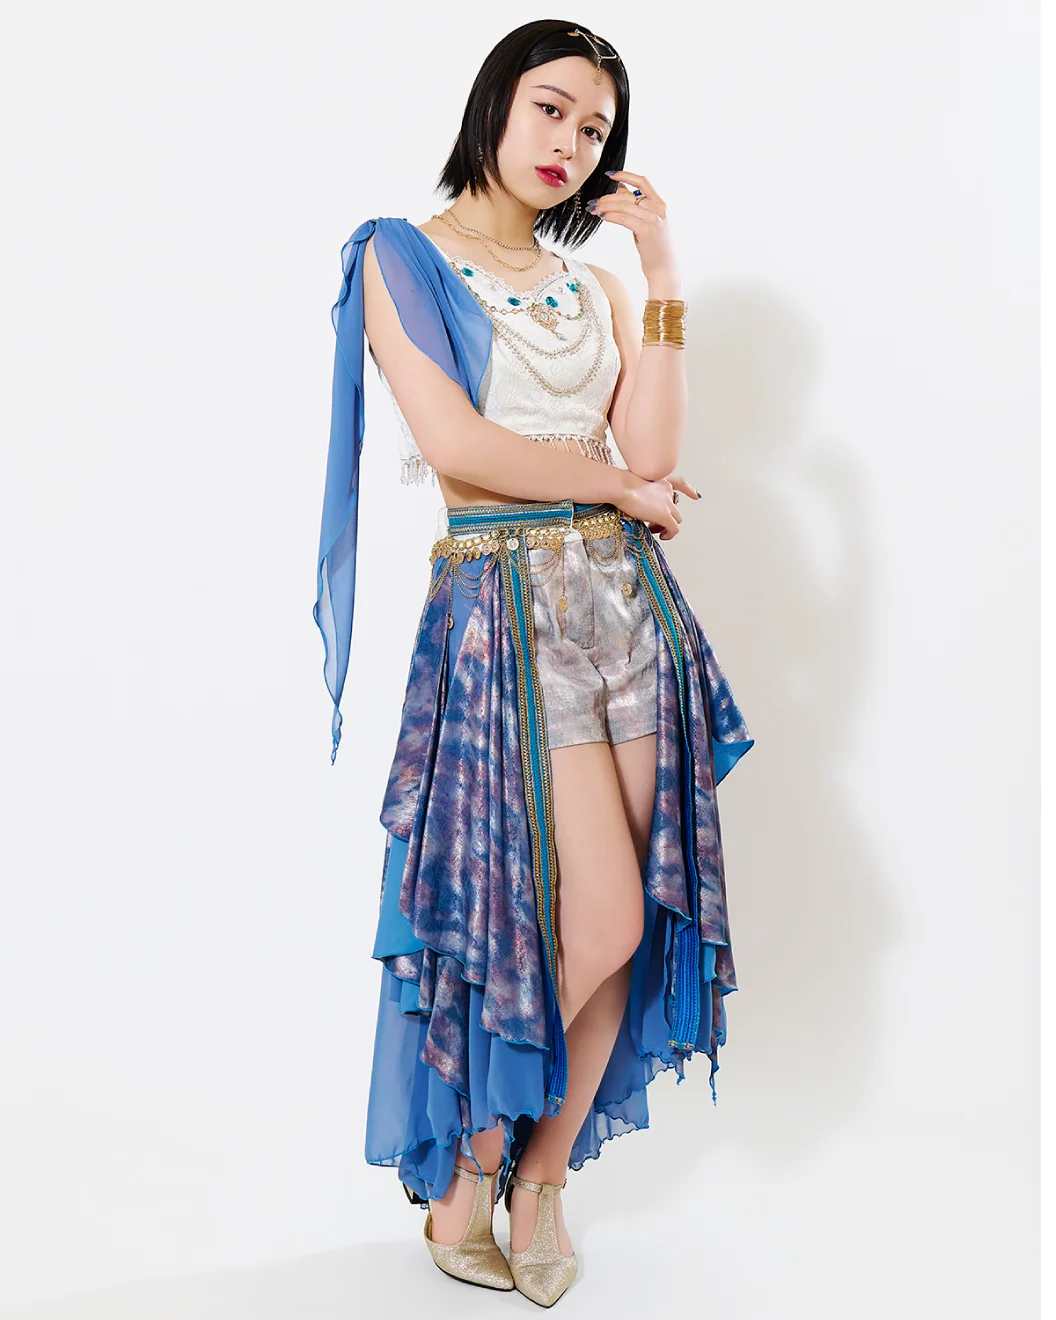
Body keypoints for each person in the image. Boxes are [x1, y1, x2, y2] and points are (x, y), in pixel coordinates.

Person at [313, 20, 755, 1307]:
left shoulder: (595, 285)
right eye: (552, 108)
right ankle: (470, 1168)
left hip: (628, 607)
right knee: (587, 912)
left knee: (636, 912)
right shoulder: (400, 256)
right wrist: (614, 486)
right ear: (496, 102)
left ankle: (545, 1181)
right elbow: (459, 445)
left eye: (595, 127)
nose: (570, 141)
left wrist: (659, 264)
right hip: (505, 605)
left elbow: (652, 445)